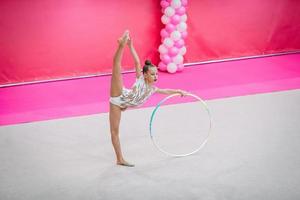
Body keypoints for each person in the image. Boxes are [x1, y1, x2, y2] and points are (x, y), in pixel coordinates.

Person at [109, 30, 187, 167]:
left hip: (125, 103)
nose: (156, 77)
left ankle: (118, 159)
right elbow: (137, 61)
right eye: (152, 74)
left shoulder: (152, 89)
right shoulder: (141, 79)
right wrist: (130, 45)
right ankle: (121, 45)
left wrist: (178, 91)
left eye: (156, 74)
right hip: (118, 97)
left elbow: (166, 90)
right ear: (145, 75)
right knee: (116, 67)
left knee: (117, 128)